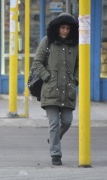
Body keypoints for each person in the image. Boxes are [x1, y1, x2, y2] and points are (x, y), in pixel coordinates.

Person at [32, 13, 79, 166]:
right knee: (53, 124)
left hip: (68, 90)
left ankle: (54, 138)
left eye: (67, 28)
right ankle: (56, 154)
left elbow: (79, 66)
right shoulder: (47, 42)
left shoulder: (75, 45)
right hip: (50, 90)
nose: (65, 31)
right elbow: (37, 63)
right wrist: (47, 77)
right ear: (57, 28)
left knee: (67, 121)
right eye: (62, 28)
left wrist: (75, 80)